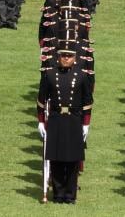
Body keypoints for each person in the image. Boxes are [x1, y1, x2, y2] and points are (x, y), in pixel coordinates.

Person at [38, 39, 93, 204]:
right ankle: (58, 193)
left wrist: (86, 124)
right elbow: (41, 101)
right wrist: (41, 121)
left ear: (74, 58)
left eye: (69, 56)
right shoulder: (49, 75)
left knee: (72, 158)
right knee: (56, 158)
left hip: (74, 120)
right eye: (63, 55)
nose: (66, 58)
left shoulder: (82, 76)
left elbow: (87, 102)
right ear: (58, 57)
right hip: (55, 119)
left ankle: (70, 194)